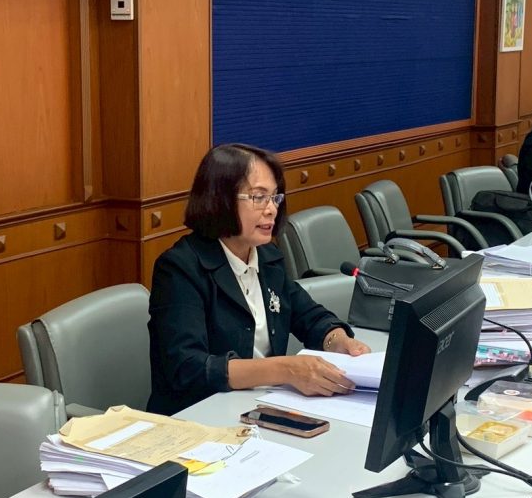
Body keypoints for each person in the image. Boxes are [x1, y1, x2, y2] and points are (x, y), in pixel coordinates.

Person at [147, 143, 371, 415]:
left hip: (260, 407)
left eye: (275, 197)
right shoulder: (180, 268)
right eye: (258, 197)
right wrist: (284, 370)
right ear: (220, 199)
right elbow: (188, 368)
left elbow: (308, 315)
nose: (271, 209)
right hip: (197, 417)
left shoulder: (266, 257)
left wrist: (337, 341)